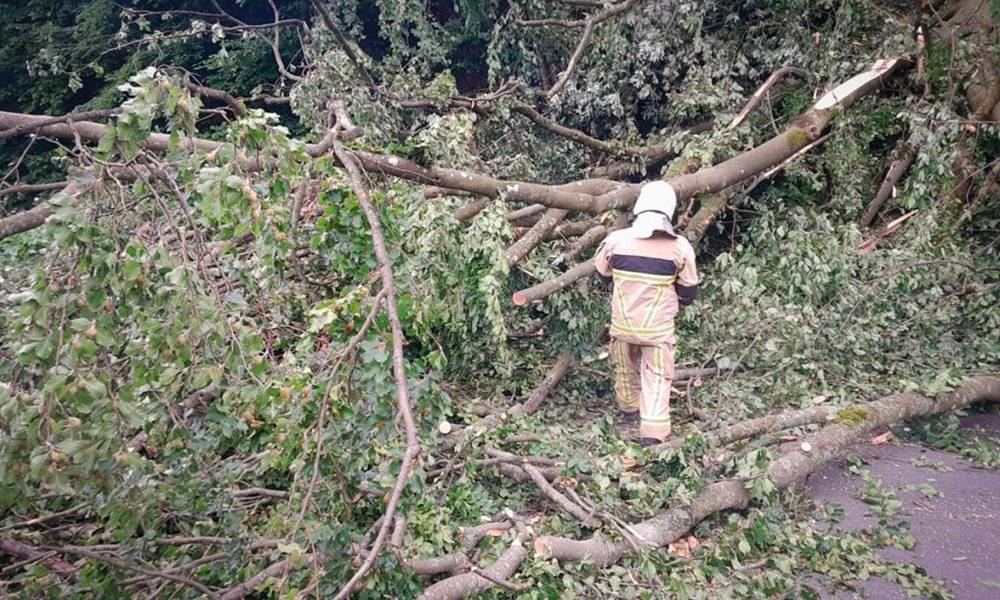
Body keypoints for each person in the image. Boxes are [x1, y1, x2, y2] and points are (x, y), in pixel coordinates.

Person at [594, 180, 699, 446]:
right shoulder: (680, 247)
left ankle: (628, 413)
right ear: (669, 211)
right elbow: (688, 291)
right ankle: (652, 435)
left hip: (623, 325)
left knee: (625, 369)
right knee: (657, 378)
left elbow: (602, 274)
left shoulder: (615, 241)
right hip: (658, 330)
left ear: (640, 208)